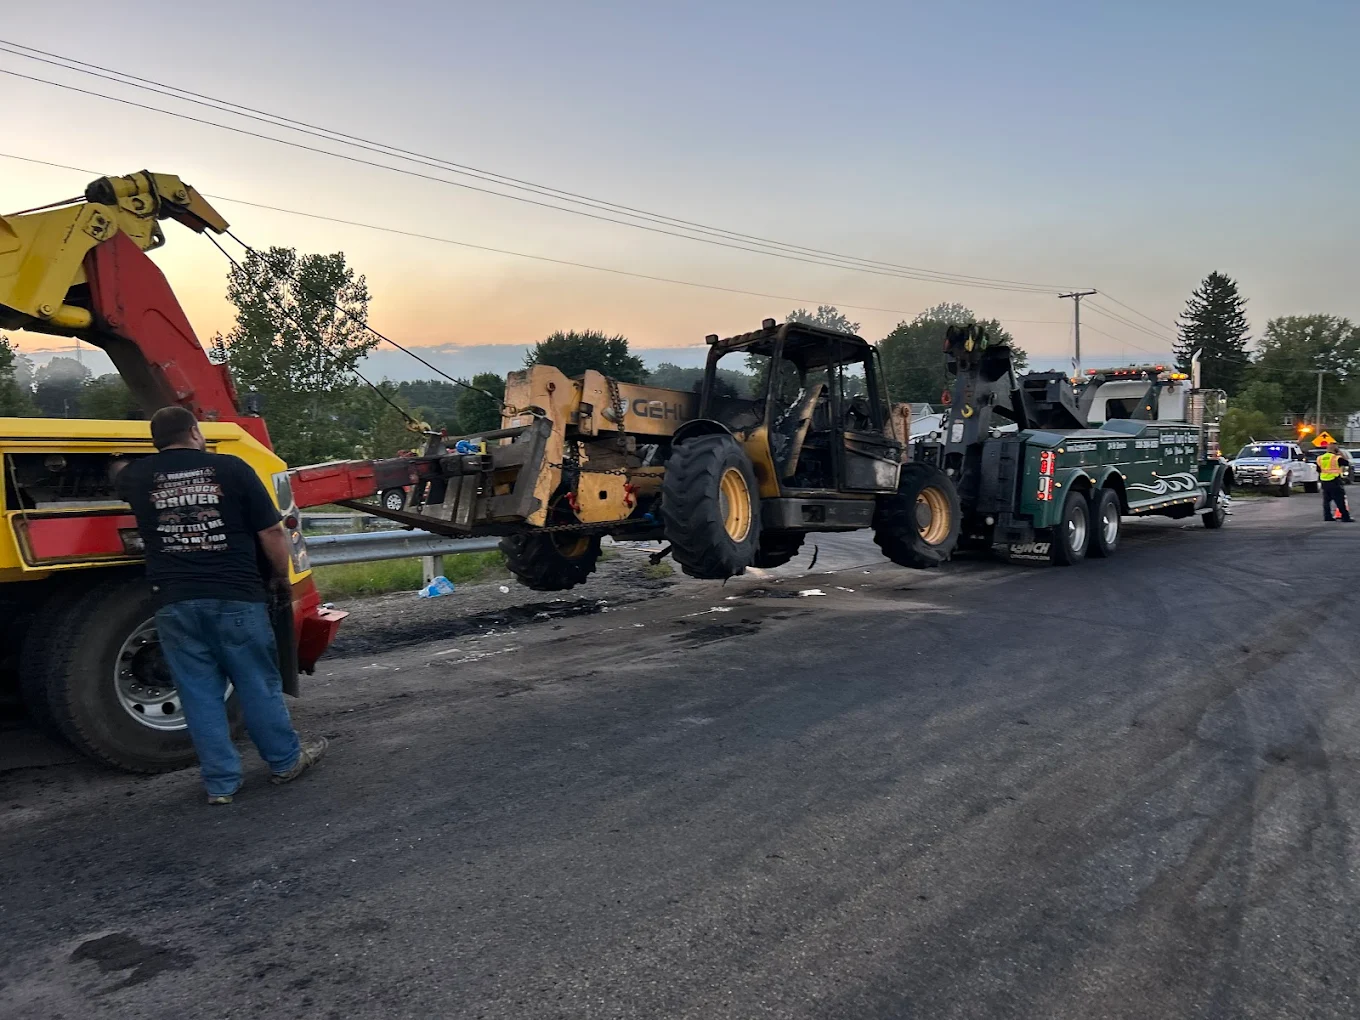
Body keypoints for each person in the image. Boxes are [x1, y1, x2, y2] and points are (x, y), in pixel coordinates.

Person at [116, 406, 327, 804]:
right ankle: (284, 761)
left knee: (198, 694)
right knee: (256, 683)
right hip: (236, 598)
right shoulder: (231, 468)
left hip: (174, 603)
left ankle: (221, 784)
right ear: (195, 433)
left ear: (156, 442)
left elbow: (117, 473)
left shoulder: (139, 476)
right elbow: (271, 531)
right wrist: (282, 578)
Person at [1317, 441, 1353, 523]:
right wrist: (1340, 453)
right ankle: (1345, 517)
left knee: (1326, 500)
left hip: (1324, 481)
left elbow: (1318, 469)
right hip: (1334, 480)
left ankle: (1327, 516)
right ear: (1335, 449)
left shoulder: (1320, 458)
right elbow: (1346, 463)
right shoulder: (1336, 458)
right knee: (1340, 500)